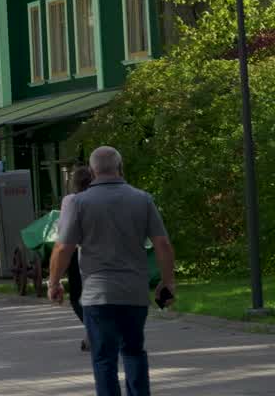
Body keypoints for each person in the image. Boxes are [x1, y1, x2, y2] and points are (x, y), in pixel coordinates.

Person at [50, 147, 175, 396]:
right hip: (134, 292)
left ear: (92, 169)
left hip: (98, 295)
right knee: (134, 351)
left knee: (104, 357)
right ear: (120, 166)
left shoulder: (79, 202)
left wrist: (54, 282)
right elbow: (162, 244)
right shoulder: (142, 199)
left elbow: (64, 247)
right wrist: (167, 281)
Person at [61, 165, 95, 351]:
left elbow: (64, 233)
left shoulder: (71, 200)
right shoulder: (102, 197)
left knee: (77, 296)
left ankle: (93, 332)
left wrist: (54, 279)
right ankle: (94, 333)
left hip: (77, 251)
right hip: (106, 252)